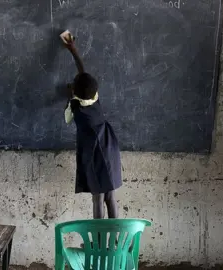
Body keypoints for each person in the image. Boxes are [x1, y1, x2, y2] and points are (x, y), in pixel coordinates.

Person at [63, 34, 122, 219]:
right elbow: (83, 73)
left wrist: (69, 97)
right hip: (109, 148)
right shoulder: (95, 98)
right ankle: (114, 241)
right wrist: (74, 50)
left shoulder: (76, 108)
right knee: (110, 196)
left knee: (97, 198)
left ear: (75, 91)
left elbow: (67, 119)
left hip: (93, 153)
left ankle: (99, 242)